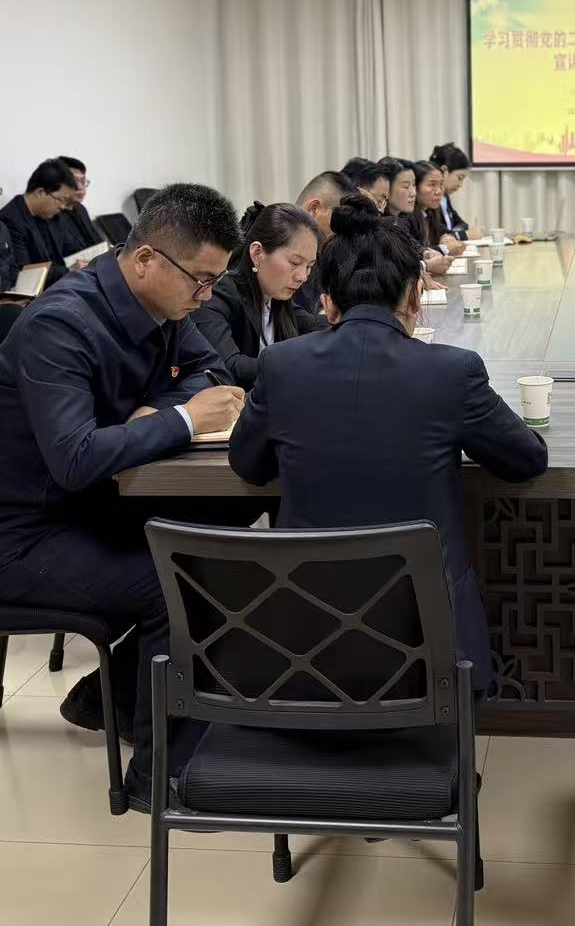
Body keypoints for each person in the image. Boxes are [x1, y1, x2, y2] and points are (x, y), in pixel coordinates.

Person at [0, 183, 247, 806]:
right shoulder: (60, 324)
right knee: (181, 583)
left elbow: (212, 371)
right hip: (22, 538)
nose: (206, 296)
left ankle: (111, 693)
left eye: (215, 282)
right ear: (145, 260)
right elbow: (76, 458)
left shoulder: (164, 306)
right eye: (200, 280)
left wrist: (158, 413)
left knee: (230, 523)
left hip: (96, 505)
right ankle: (157, 775)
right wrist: (183, 421)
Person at [231, 194, 548, 690]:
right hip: (428, 645)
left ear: (327, 301)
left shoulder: (282, 365)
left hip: (304, 640)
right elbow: (526, 460)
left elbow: (248, 465)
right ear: (414, 297)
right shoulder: (452, 372)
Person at [196, 201, 326, 388]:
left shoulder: (277, 300)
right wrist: (299, 361)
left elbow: (317, 327)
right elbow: (230, 367)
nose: (303, 277)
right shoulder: (218, 295)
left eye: (309, 266)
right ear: (257, 253)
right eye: (295, 263)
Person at [0, 158, 80, 288]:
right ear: (40, 192)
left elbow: (70, 248)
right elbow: (24, 271)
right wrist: (68, 271)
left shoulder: (52, 214)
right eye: (61, 200)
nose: (63, 206)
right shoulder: (9, 221)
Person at [290, 170, 353, 314]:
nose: (341, 233)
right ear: (314, 208)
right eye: (338, 223)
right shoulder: (272, 243)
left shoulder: (322, 251)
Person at [53, 155, 106, 259]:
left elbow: (98, 243)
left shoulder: (80, 209)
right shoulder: (51, 213)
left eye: (83, 181)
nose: (80, 187)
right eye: (74, 181)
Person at [430, 143, 473, 238]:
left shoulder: (445, 196)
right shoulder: (428, 198)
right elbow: (438, 233)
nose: (460, 185)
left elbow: (462, 224)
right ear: (444, 171)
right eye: (460, 178)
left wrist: (454, 233)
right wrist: (465, 234)